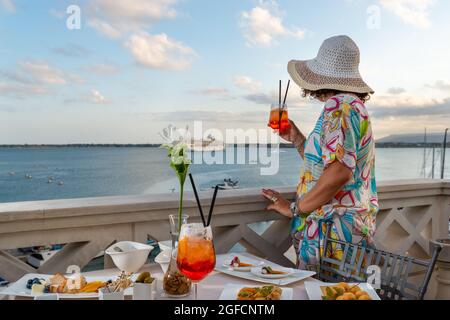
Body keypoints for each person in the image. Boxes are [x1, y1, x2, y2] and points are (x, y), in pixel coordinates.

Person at [262, 35, 378, 270]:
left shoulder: (339, 106)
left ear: (321, 77)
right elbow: (328, 167)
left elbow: (338, 173)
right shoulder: (352, 106)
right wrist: (297, 139)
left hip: (332, 234)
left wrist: (295, 208)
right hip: (345, 231)